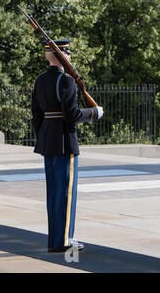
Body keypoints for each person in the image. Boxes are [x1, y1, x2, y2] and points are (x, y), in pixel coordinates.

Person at [31, 39, 103, 253]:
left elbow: (37, 116)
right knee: (66, 193)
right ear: (64, 56)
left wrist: (43, 137)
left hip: (48, 141)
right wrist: (93, 113)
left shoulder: (40, 81)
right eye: (68, 53)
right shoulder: (67, 81)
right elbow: (71, 115)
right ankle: (64, 241)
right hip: (64, 140)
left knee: (53, 191)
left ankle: (56, 239)